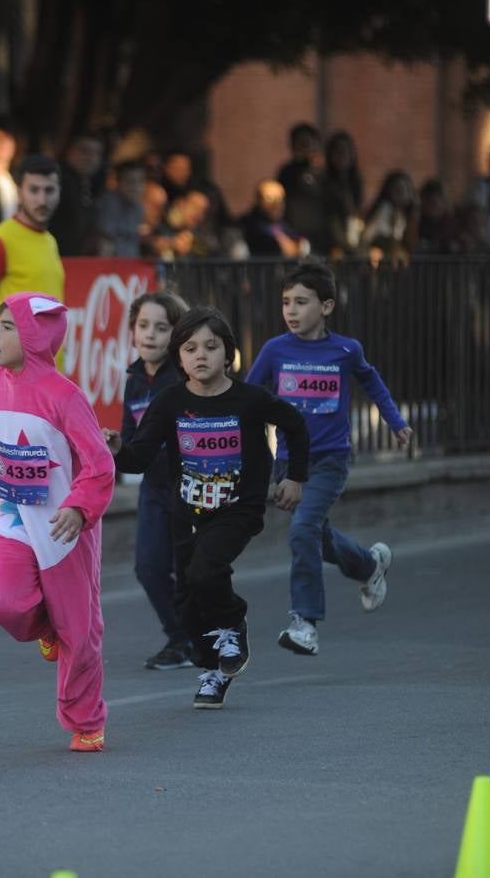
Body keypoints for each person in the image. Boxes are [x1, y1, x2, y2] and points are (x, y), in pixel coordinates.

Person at [105, 308, 309, 710]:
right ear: (178, 358)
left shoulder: (248, 399)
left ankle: (233, 623)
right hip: (188, 512)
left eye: (211, 347)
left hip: (238, 509)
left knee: (206, 571)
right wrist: (115, 451)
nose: (201, 355)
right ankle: (213, 670)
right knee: (186, 598)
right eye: (190, 348)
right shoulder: (170, 403)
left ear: (228, 353)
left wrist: (294, 476)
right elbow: (139, 458)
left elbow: (295, 424)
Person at [0, 292, 115, 752]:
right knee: (4, 603)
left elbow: (99, 463)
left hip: (62, 531)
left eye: (8, 326)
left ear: (33, 338)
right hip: (12, 518)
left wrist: (78, 507)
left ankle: (85, 719)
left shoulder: (65, 397)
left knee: (80, 631)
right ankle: (42, 628)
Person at [245, 264, 409, 656]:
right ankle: (369, 566)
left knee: (302, 531)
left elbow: (374, 383)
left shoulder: (346, 350)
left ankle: (305, 623)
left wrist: (397, 422)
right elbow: (247, 398)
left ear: (327, 306)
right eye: (286, 302)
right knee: (316, 535)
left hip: (330, 461)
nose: (291, 310)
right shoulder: (275, 350)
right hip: (288, 464)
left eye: (301, 302)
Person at [120, 291, 192, 669]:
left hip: (189, 488)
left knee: (189, 570)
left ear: (176, 336)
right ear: (132, 331)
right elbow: (129, 445)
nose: (150, 335)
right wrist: (114, 448)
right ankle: (180, 637)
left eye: (161, 328)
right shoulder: (134, 380)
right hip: (153, 489)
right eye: (143, 326)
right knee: (148, 567)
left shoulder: (183, 379)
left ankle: (195, 639)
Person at [0, 154, 65, 367]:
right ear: (19, 192)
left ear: (59, 192)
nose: (42, 200)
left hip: (47, 373)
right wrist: (10, 350)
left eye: (49, 190)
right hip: (14, 378)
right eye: (34, 190)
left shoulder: (49, 240)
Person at [276, 123, 330, 254]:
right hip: (294, 233)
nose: (304, 148)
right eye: (299, 143)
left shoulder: (324, 173)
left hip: (321, 236)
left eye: (307, 143)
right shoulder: (286, 172)